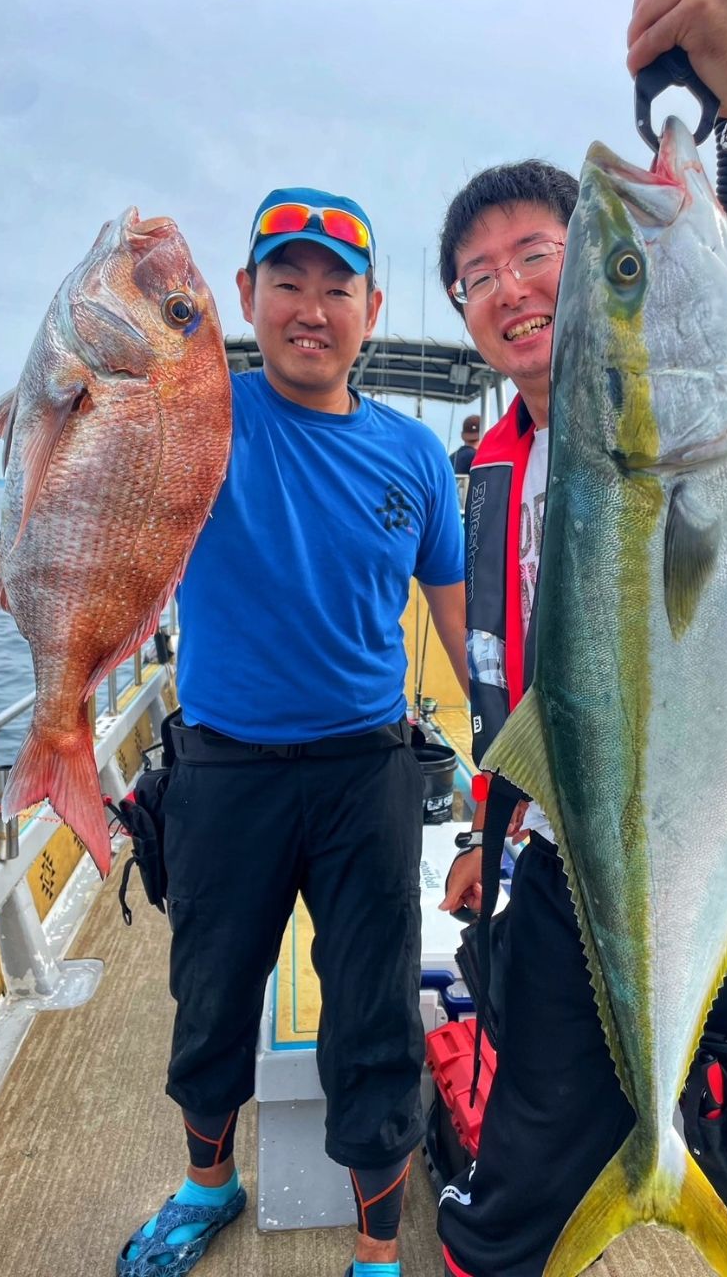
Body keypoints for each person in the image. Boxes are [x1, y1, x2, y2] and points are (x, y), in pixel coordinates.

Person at [435, 1, 727, 1275]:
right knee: (513, 1195)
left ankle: (719, 1186)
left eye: (544, 254)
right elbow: (513, 692)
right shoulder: (487, 468)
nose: (511, 287)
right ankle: (634, 1172)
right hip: (566, 870)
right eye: (477, 275)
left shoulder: (707, 417)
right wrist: (486, 833)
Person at [117, 187, 468, 1277]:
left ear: (372, 308)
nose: (311, 308)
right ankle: (206, 1186)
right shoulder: (198, 414)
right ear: (246, 294)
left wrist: (518, 774)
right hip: (223, 768)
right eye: (287, 281)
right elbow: (100, 404)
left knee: (375, 1015)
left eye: (336, 287)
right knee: (211, 997)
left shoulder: (416, 457)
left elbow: (466, 636)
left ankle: (376, 1251)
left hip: (367, 770)